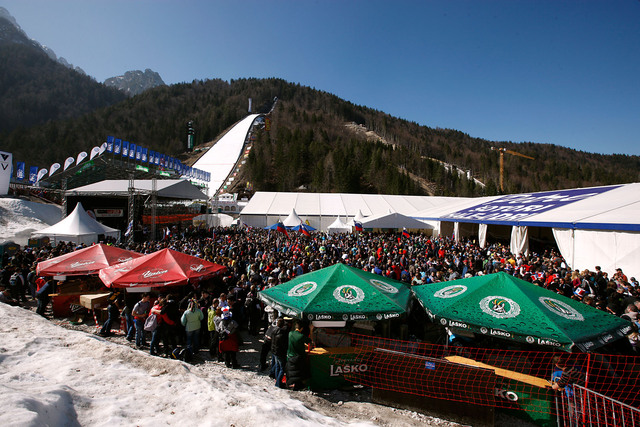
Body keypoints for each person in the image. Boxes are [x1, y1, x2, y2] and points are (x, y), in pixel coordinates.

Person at [286, 319, 311, 390]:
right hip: (299, 357)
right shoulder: (301, 336)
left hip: (290, 357)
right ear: (302, 328)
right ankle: (299, 385)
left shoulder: (290, 334)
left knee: (292, 373)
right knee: (300, 373)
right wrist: (311, 330)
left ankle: (290, 384)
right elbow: (310, 341)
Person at [271, 317, 289, 387]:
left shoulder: (273, 330)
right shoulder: (281, 334)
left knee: (277, 366)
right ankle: (278, 383)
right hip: (279, 352)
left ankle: (277, 379)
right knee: (282, 368)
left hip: (274, 351)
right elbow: (283, 345)